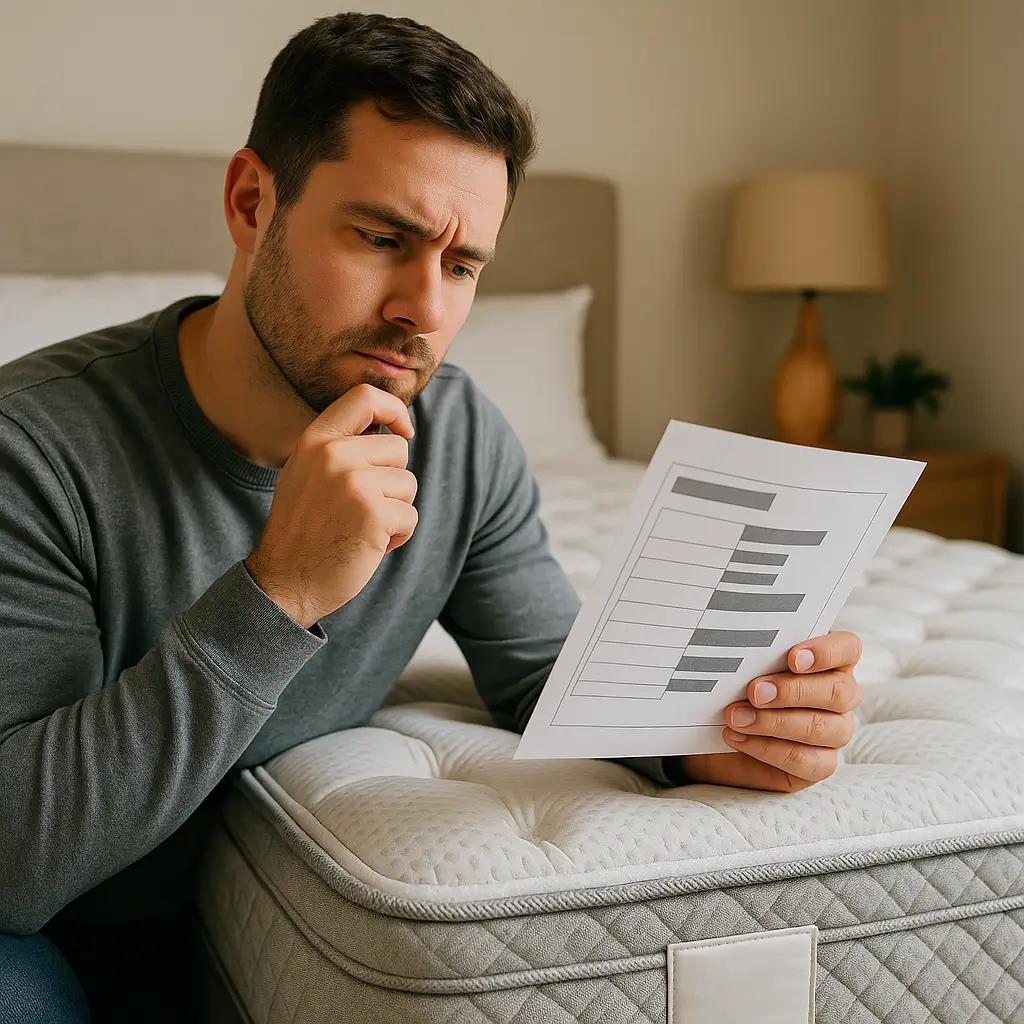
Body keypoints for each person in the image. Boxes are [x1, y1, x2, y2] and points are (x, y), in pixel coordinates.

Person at [0, 12, 863, 1022]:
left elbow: (543, 668)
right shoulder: (34, 448)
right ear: (249, 200)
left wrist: (710, 733)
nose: (424, 307)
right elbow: (17, 863)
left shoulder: (457, 438)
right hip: (53, 937)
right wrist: (278, 591)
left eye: (461, 268)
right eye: (381, 238)